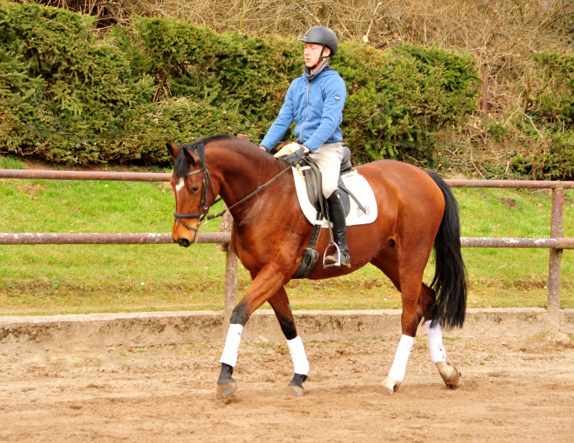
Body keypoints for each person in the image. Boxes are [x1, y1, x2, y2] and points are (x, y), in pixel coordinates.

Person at [259, 26, 350, 269]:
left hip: (326, 149)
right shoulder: (296, 85)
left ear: (326, 53)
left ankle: (342, 248)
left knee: (329, 187)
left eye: (312, 48)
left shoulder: (334, 83)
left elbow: (330, 122)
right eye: (305, 47)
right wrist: (263, 148)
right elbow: (282, 120)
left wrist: (308, 148)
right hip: (299, 146)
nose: (306, 52)